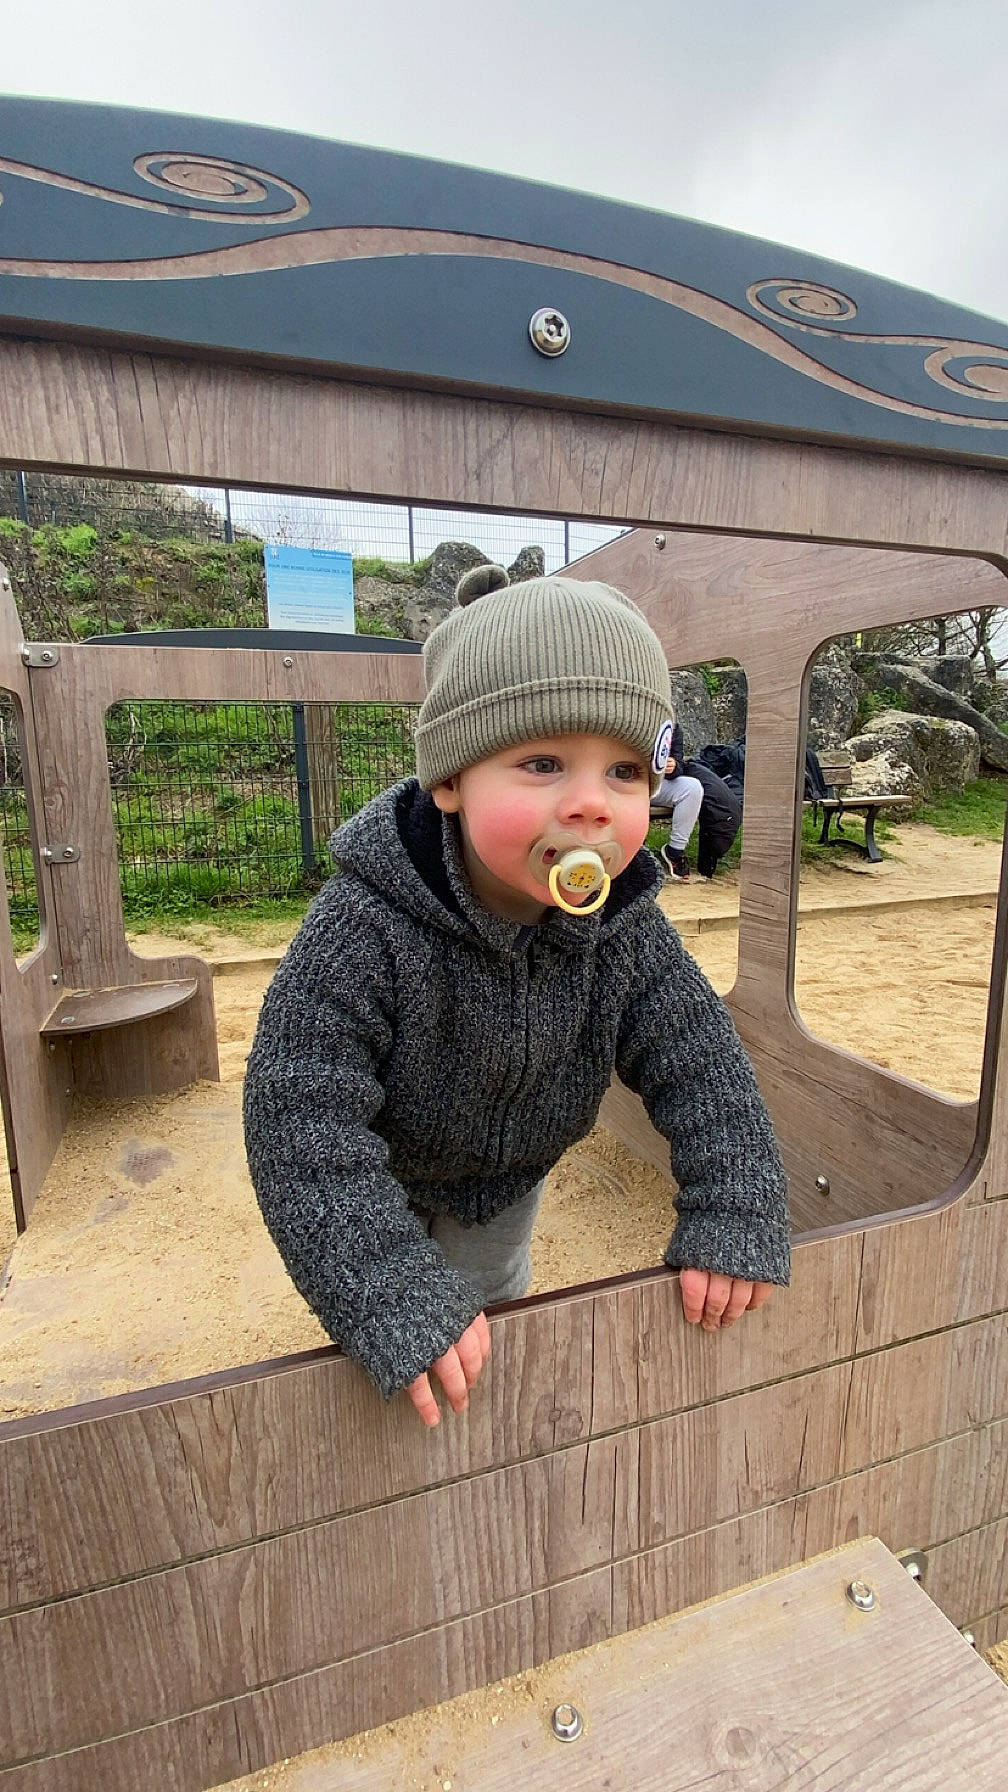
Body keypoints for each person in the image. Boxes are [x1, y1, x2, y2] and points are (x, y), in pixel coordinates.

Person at [243, 566, 790, 1428]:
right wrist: (383, 1288)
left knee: (482, 1312)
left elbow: (702, 1063)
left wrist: (737, 1203)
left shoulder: (623, 928)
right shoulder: (363, 924)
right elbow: (297, 1113)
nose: (589, 806)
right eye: (542, 763)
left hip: (504, 1177)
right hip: (377, 1159)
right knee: (379, 1317)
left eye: (622, 771)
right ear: (451, 779)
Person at [652, 720, 703, 881]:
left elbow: (679, 764)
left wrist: (673, 766)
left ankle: (675, 850)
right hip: (621, 782)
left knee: (692, 787)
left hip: (654, 786)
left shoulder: (672, 725)